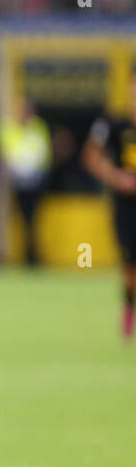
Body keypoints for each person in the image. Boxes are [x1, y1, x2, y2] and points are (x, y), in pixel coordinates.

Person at [82, 77, 136, 337]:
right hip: (126, 208)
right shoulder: (113, 124)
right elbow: (91, 156)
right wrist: (116, 177)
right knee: (129, 265)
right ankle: (128, 309)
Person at [0, 97, 51, 266]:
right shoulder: (7, 128)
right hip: (15, 183)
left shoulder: (39, 128)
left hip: (35, 182)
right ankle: (16, 255)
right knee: (18, 220)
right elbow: (4, 155)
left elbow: (44, 154)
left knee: (33, 220)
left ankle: (32, 256)